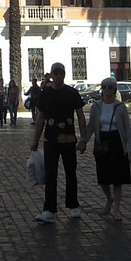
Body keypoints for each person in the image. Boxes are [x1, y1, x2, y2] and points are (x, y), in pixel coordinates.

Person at [29, 63, 87, 224]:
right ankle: (49, 209)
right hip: (50, 140)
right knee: (50, 175)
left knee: (71, 173)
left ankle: (73, 205)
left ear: (65, 74)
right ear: (52, 75)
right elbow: (41, 118)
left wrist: (83, 138)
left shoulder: (72, 93)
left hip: (69, 139)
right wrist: (35, 140)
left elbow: (81, 116)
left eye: (61, 73)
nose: (59, 76)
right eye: (56, 73)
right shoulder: (45, 94)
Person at [82, 78, 131, 221]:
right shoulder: (96, 107)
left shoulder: (120, 107)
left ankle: (116, 209)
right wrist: (83, 142)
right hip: (102, 142)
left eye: (110, 87)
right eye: (104, 87)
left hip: (117, 142)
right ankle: (109, 198)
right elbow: (91, 127)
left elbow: (127, 128)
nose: (106, 90)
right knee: (103, 177)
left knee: (117, 178)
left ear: (114, 89)